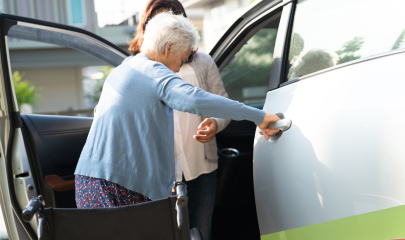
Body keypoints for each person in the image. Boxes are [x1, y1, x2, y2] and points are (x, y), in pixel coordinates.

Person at [74, 12, 279, 217]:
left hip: (87, 183)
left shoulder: (124, 68)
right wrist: (258, 116)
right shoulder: (153, 72)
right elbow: (197, 99)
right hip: (120, 187)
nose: (179, 67)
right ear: (169, 47)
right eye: (181, 59)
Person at [128, 1, 232, 239]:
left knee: (201, 234)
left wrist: (215, 122)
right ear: (147, 27)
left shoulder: (203, 62)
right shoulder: (136, 66)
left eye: (174, 23)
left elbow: (222, 103)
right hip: (159, 175)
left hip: (203, 170)